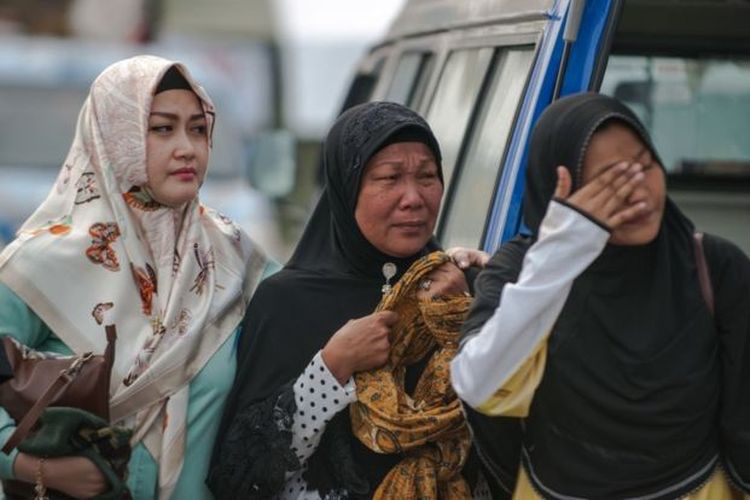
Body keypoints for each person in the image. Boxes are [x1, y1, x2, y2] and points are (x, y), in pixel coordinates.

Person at [451, 93, 750, 499]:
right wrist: (564, 249)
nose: (639, 192)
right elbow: (479, 383)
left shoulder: (711, 265)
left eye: (645, 166)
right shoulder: (526, 269)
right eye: (611, 182)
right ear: (563, 193)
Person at [0, 55, 272, 499]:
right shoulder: (38, 265)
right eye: (162, 128)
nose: (187, 147)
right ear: (114, 135)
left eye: (198, 129)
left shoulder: (235, 258)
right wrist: (34, 467)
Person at [207, 101, 495, 499]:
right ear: (347, 187)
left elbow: (517, 440)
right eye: (389, 178)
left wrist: (471, 317)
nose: (413, 197)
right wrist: (331, 368)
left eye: (427, 176)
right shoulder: (287, 301)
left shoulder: (462, 290)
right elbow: (241, 475)